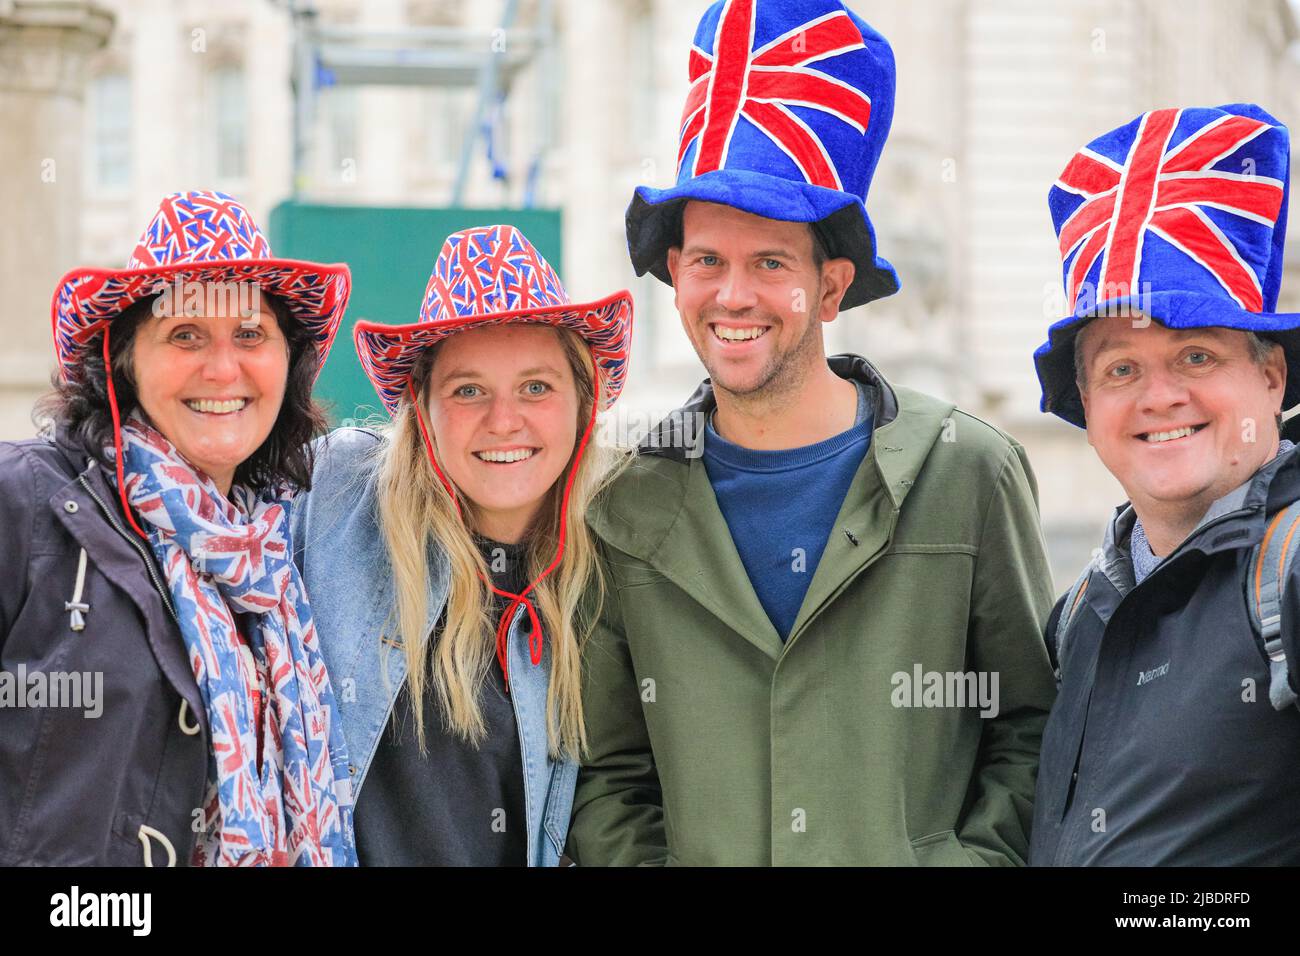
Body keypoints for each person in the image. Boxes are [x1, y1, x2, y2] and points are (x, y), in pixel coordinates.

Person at [565, 0, 1057, 866]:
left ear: (830, 291)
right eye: (708, 261)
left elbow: (1027, 724)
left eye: (771, 265)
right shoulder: (622, 501)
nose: (733, 295)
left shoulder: (968, 472)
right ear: (674, 277)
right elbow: (610, 766)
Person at [0, 190, 356, 866]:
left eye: (250, 335)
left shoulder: (282, 549)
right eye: (184, 335)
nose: (223, 369)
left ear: (288, 361)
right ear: (125, 358)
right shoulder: (25, 503)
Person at [291, 224, 632, 866]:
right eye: (468, 390)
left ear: (583, 404)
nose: (504, 420)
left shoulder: (612, 568)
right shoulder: (336, 496)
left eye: (536, 386)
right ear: (422, 408)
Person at [1030, 104, 1300, 865]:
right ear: (1087, 404)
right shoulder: (1082, 611)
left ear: (1271, 376)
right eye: (1122, 370)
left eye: (1197, 358)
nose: (1160, 397)